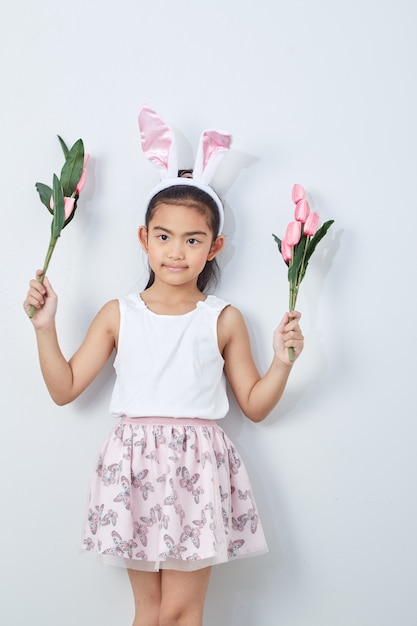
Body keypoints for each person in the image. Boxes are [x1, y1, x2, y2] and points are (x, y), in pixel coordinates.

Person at [23, 106, 304, 626]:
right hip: (132, 465)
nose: (176, 251)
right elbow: (64, 388)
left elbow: (255, 406)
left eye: (193, 239)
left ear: (213, 246)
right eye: (164, 236)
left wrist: (282, 364)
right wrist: (45, 328)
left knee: (181, 611)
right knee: (149, 613)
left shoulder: (222, 319)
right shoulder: (118, 314)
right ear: (144, 238)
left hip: (196, 468)